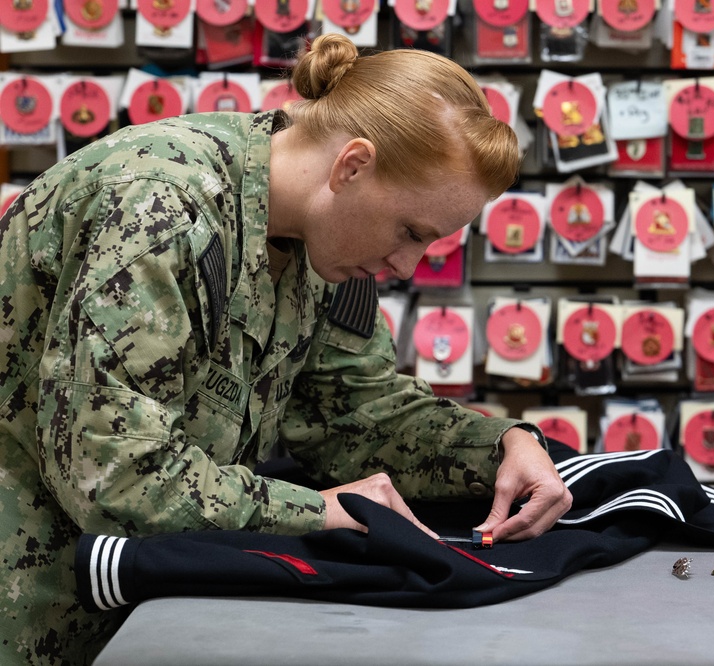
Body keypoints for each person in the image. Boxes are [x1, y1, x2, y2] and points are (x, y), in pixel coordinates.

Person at [0, 34, 572, 664]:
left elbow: (358, 413)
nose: (409, 266)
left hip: (148, 607)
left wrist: (503, 448)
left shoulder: (320, 247)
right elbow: (114, 477)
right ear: (352, 165)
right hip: (31, 610)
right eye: (410, 231)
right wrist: (315, 512)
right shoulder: (159, 207)